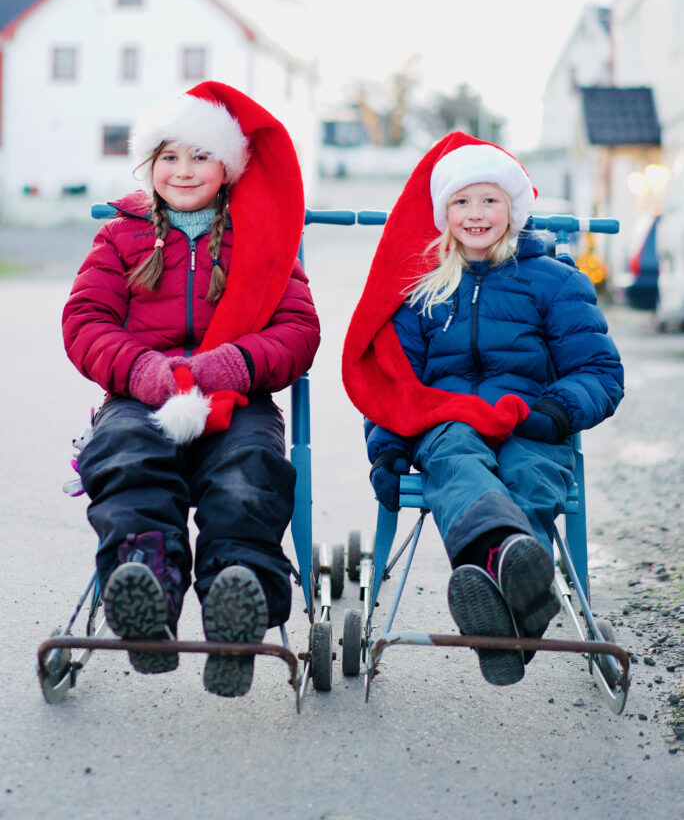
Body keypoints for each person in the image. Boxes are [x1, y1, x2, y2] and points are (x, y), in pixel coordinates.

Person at [62, 81, 320, 697]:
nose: (183, 171)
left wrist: (230, 366)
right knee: (126, 455)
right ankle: (145, 581)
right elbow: (85, 322)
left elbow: (297, 329)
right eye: (168, 157)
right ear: (148, 164)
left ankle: (241, 595)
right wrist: (145, 372)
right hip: (142, 391)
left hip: (236, 396)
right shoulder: (121, 235)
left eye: (200, 157)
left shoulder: (260, 236)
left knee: (247, 473)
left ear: (227, 168)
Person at [342, 132, 623, 687]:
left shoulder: (556, 282)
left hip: (531, 418)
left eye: (490, 200)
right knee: (455, 455)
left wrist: (558, 411)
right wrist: (390, 450)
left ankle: (505, 597)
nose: (475, 214)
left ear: (513, 208)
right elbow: (395, 382)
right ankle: (509, 568)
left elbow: (599, 371)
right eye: (462, 202)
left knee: (529, 473)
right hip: (446, 419)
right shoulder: (422, 290)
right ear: (443, 212)